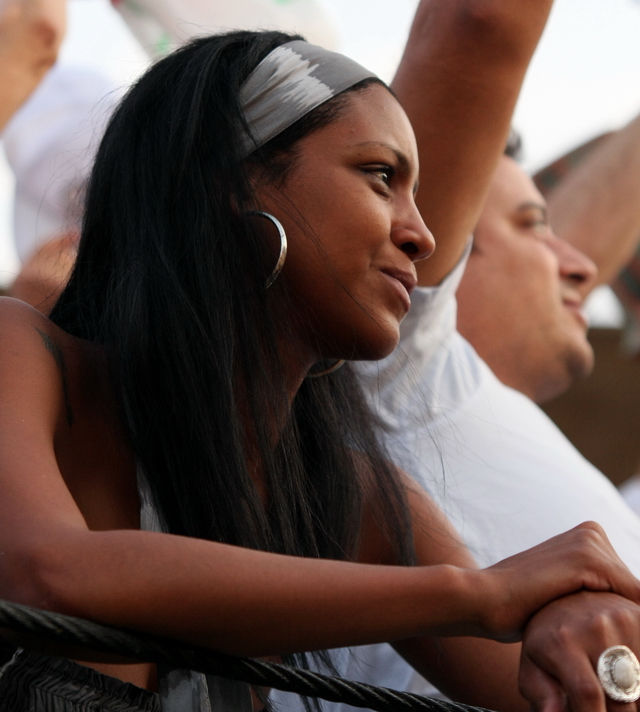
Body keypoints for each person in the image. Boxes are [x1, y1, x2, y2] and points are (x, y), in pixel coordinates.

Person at [3, 11, 640, 712]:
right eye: (379, 176)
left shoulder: (347, 492)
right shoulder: (24, 352)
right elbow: (41, 569)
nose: (421, 234)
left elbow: (534, 686)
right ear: (228, 182)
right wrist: (478, 593)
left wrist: (574, 625)